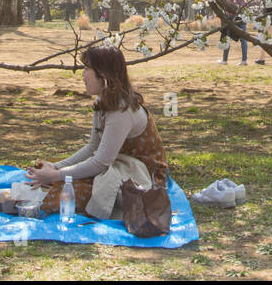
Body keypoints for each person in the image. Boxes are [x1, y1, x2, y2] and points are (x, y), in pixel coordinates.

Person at [27, 45, 168, 219]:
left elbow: (100, 162)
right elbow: (92, 147)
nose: (83, 75)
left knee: (60, 194)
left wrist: (55, 175)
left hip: (141, 178)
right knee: (53, 183)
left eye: (87, 69)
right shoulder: (103, 101)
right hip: (115, 167)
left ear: (104, 75)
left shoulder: (121, 111)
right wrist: (56, 167)